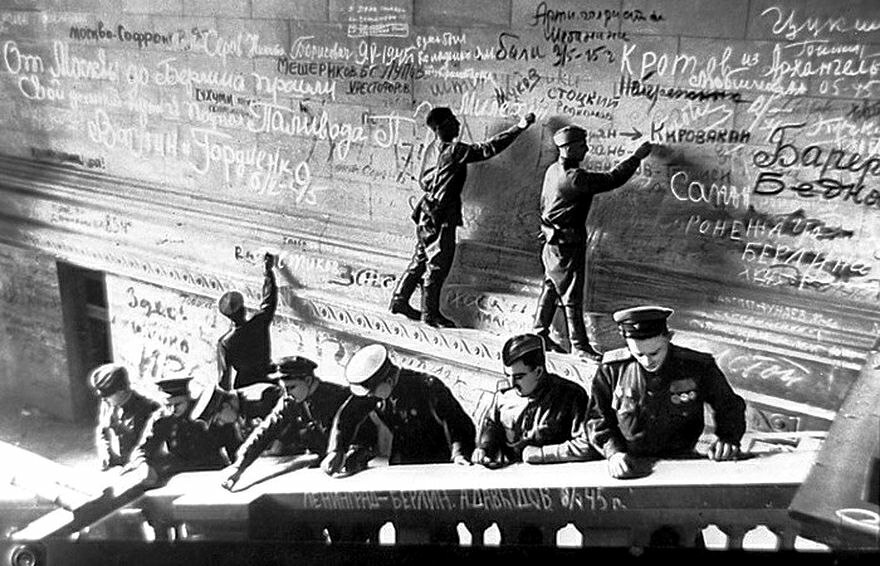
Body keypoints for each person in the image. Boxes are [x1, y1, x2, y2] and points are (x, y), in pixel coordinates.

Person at [389, 108, 537, 328]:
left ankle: (399, 300)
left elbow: (424, 182)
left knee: (421, 259)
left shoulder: (432, 149)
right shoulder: (455, 151)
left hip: (426, 213)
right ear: (442, 127)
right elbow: (488, 149)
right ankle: (429, 313)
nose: (458, 124)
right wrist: (520, 127)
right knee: (437, 264)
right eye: (453, 121)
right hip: (441, 216)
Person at [533, 126, 653, 361]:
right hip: (567, 244)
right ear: (567, 149)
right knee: (571, 295)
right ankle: (579, 345)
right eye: (581, 145)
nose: (586, 149)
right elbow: (613, 179)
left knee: (551, 285)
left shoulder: (552, 170)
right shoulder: (574, 178)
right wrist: (637, 156)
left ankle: (539, 332)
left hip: (552, 242)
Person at [586, 306, 747, 479]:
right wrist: (614, 453)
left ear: (669, 338)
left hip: (683, 462)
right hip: (631, 463)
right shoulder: (612, 370)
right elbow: (597, 419)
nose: (647, 361)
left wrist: (728, 439)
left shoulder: (697, 366)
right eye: (639, 354)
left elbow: (729, 406)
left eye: (655, 353)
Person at [220, 356, 376, 491]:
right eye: (284, 389)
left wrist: (349, 455)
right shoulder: (291, 401)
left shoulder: (338, 396)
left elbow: (366, 436)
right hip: (324, 468)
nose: (287, 394)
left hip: (357, 467)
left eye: (291, 387)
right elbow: (267, 429)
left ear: (308, 380)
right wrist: (239, 465)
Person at [321, 343, 475, 476]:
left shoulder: (427, 386)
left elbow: (456, 421)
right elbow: (348, 415)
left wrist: (459, 454)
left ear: (388, 380)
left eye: (372, 392)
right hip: (401, 465)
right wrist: (337, 450)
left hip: (437, 464)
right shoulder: (377, 391)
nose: (370, 397)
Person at [472, 334, 597, 468]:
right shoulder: (502, 397)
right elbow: (490, 429)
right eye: (507, 375)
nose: (512, 383)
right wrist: (483, 449)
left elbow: (588, 445)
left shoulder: (570, 395)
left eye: (519, 377)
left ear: (538, 371)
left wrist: (543, 454)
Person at [127, 377, 228, 485]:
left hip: (212, 472)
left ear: (188, 399)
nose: (173, 410)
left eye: (177, 405)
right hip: (180, 477)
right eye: (169, 405)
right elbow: (142, 449)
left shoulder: (205, 412)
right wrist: (142, 464)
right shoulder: (162, 419)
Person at [217, 252, 278, 390]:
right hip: (266, 379)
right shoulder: (258, 323)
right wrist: (268, 272)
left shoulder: (225, 343)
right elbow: (269, 301)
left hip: (244, 386)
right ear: (243, 310)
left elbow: (224, 381)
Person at [190, 381, 283, 464]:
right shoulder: (232, 419)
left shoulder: (263, 397)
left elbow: (291, 411)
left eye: (218, 419)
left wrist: (280, 440)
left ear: (226, 406)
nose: (221, 423)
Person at [89, 363, 160, 471]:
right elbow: (102, 431)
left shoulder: (147, 408)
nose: (104, 399)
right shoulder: (108, 404)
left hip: (138, 466)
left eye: (107, 395)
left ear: (121, 391)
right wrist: (104, 452)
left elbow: (148, 447)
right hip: (114, 464)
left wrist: (135, 466)